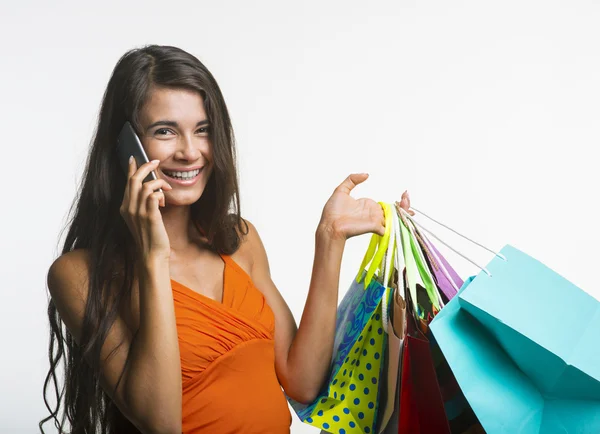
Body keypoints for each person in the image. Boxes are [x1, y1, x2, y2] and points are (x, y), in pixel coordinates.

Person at [40, 44, 412, 434]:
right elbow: (160, 423)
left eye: (202, 130)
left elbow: (302, 382)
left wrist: (330, 239)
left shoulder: (239, 239)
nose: (190, 152)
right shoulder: (78, 274)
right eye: (165, 131)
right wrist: (153, 257)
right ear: (125, 146)